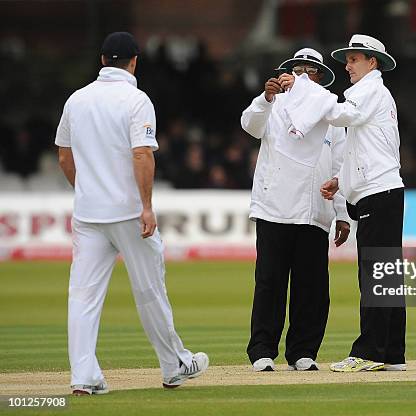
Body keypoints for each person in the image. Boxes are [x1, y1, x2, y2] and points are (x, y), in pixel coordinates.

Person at [55, 32, 208, 395]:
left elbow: (64, 155)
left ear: (102, 60)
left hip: (89, 214)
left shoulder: (77, 100)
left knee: (83, 295)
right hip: (127, 212)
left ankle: (84, 377)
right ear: (134, 61)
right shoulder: (136, 100)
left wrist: (88, 190)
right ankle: (174, 366)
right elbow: (142, 154)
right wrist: (147, 206)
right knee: (149, 290)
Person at [241, 48, 351, 372]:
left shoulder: (331, 116)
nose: (303, 75)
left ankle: (303, 351)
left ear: (319, 78)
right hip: (275, 208)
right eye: (298, 69)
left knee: (312, 287)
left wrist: (342, 214)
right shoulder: (273, 105)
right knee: (270, 283)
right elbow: (249, 124)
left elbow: (340, 166)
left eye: (311, 71)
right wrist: (265, 98)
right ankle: (262, 350)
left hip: (315, 211)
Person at [315, 34, 406, 372]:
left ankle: (369, 351)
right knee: (386, 276)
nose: (348, 65)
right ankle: (392, 353)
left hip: (378, 194)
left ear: (373, 62)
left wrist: (307, 91)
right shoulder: (373, 95)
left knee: (374, 275)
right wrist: (342, 180)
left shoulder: (370, 91)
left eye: (354, 59)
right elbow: (367, 147)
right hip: (382, 191)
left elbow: (339, 117)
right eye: (348, 59)